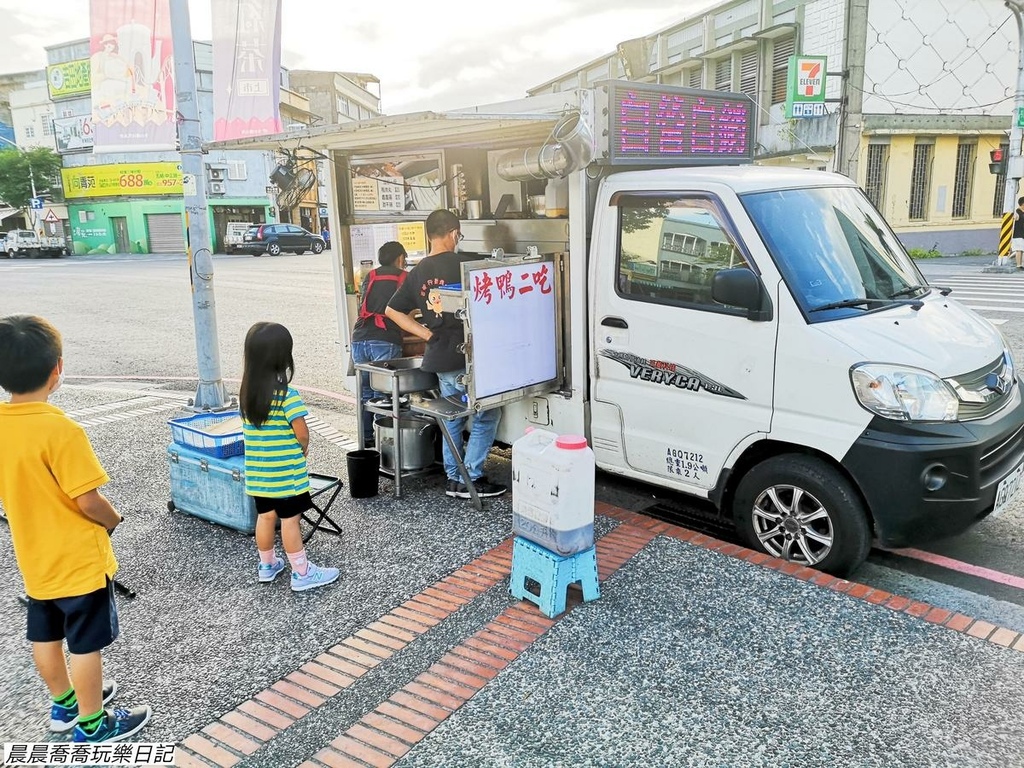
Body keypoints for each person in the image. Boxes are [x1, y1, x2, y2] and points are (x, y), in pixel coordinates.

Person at [0, 314, 151, 743]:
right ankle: (93, 723)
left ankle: (64, 705)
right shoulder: (61, 430)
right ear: (57, 369)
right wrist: (114, 519)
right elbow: (88, 500)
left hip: (34, 556)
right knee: (85, 643)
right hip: (77, 560)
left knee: (44, 633)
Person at [386, 209, 507, 499]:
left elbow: (392, 311)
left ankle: (455, 479)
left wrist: (428, 334)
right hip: (466, 355)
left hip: (440, 355)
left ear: (429, 234)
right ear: (454, 233)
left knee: (452, 418)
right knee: (487, 413)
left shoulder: (416, 273)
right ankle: (472, 476)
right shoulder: (465, 264)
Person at [240, 321, 340, 592]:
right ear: (283, 357)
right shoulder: (287, 396)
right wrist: (303, 448)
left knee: (265, 518)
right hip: (286, 476)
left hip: (259, 475)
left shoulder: (246, 394)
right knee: (290, 520)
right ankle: (302, 572)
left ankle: (267, 565)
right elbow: (302, 432)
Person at [352, 241, 408, 446]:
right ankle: (382, 444)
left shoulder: (371, 275)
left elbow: (362, 303)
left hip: (360, 337)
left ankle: (366, 440)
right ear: (400, 258)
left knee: (365, 393)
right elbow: (406, 310)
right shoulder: (403, 277)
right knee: (382, 394)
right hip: (384, 338)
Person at [1012, 197, 1024, 270]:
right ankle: (1018, 265)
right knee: (1019, 250)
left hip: (1022, 234)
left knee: (1021, 250)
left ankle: (1020, 264)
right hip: (1018, 234)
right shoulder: (1017, 212)